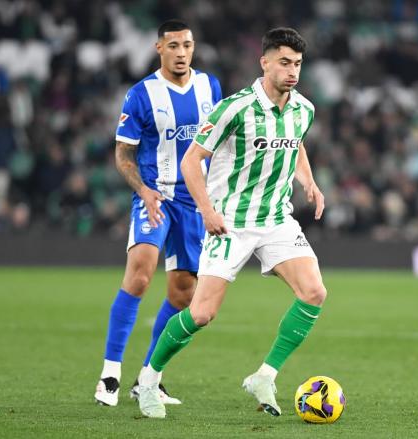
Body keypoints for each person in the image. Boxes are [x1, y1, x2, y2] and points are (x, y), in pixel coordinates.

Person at [136, 27, 326, 419]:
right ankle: (149, 380)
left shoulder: (303, 109)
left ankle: (265, 375)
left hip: (275, 219)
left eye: (298, 64)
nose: (292, 71)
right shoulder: (233, 108)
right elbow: (191, 160)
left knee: (314, 292)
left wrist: (307, 179)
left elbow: (296, 141)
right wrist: (206, 210)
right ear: (265, 62)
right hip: (230, 222)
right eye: (285, 63)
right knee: (201, 313)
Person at [94, 19, 222, 407]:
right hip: (155, 196)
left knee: (184, 295)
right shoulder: (140, 94)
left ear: (193, 47)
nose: (181, 53)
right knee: (140, 275)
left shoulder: (210, 87)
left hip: (192, 202)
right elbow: (123, 155)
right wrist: (143, 190)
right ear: (158, 48)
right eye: (173, 46)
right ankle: (109, 376)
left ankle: (148, 378)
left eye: (187, 45)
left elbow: (216, 144)